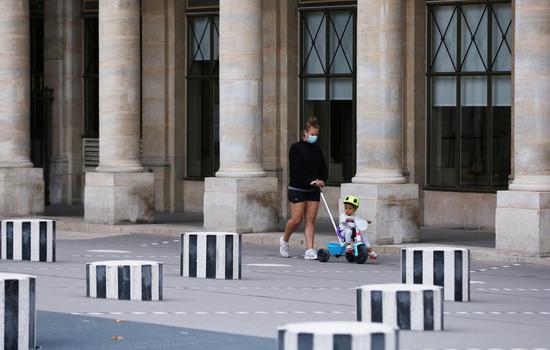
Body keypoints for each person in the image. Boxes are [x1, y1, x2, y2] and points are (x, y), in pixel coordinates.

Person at [280, 116, 328, 260]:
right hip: (298, 188)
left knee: (311, 219)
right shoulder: (296, 148)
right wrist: (309, 181)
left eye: (316, 135)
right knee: (296, 219)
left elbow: (323, 167)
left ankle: (309, 249)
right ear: (305, 134)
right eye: (312, 134)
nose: (314, 137)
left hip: (313, 190)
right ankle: (285, 240)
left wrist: (322, 180)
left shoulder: (317, 149)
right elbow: (296, 169)